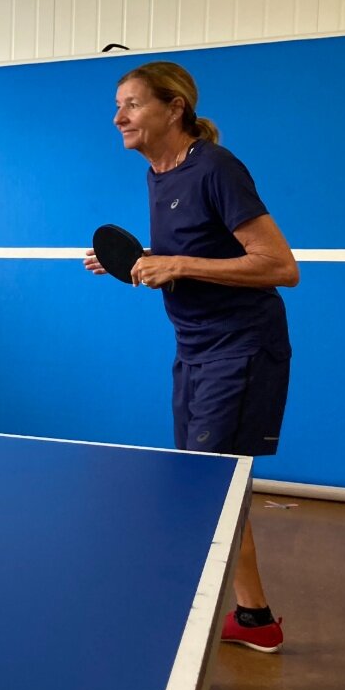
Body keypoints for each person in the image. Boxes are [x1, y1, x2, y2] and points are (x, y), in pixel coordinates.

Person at [86, 61, 299, 652]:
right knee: (215, 485)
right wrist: (137, 261)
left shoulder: (216, 168)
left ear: (173, 108)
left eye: (131, 104)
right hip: (195, 346)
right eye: (118, 105)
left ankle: (187, 625)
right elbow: (199, 249)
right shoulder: (159, 173)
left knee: (202, 487)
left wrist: (176, 264)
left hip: (241, 346)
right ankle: (255, 620)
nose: (118, 116)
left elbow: (280, 266)